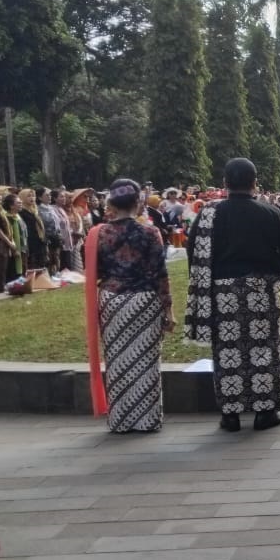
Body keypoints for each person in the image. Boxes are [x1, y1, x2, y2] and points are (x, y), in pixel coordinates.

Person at [185, 158, 280, 433]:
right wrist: (271, 263)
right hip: (260, 289)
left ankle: (230, 415)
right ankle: (266, 412)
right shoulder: (270, 211)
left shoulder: (208, 214)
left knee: (227, 353)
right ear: (254, 182)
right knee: (265, 349)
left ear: (225, 184)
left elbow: (194, 252)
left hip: (222, 291)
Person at [84, 179, 173, 433]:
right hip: (144, 300)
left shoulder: (98, 234)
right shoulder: (150, 232)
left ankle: (121, 419)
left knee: (117, 360)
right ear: (138, 202)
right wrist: (168, 309)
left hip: (111, 300)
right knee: (146, 361)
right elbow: (160, 274)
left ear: (110, 202)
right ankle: (147, 419)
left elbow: (95, 271)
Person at [18, 188, 47, 271]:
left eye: (33, 196)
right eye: (29, 196)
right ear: (22, 198)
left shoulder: (35, 210)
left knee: (41, 262)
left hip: (39, 240)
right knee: (32, 264)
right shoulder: (21, 212)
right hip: (30, 241)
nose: (32, 198)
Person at [0, 193, 18, 283]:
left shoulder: (1, 211)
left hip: (6, 243)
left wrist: (12, 241)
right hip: (0, 243)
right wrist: (9, 243)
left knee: (4, 267)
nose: (0, 201)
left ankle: (2, 287)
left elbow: (8, 228)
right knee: (1, 268)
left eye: (0, 199)